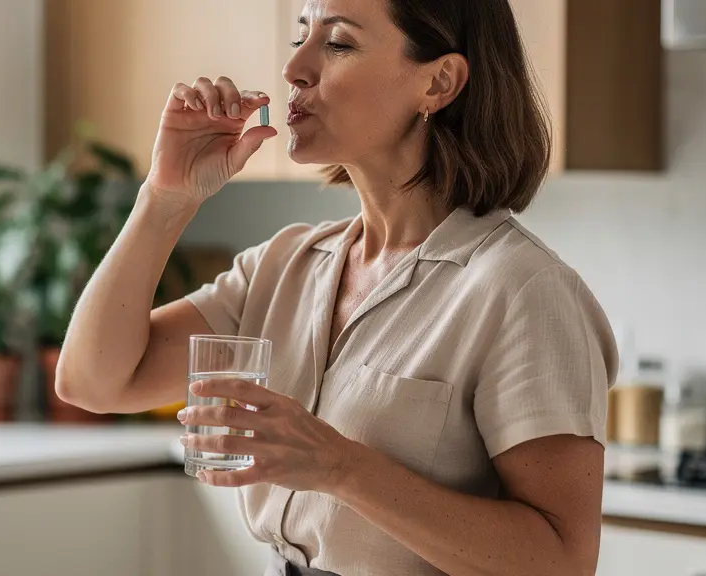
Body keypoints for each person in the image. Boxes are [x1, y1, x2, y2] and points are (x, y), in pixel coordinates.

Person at [56, 0, 618, 574]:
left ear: (439, 82)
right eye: (300, 37)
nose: (294, 68)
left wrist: (339, 466)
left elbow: (563, 562)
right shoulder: (284, 266)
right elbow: (93, 382)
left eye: (338, 43)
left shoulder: (523, 292)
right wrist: (166, 196)